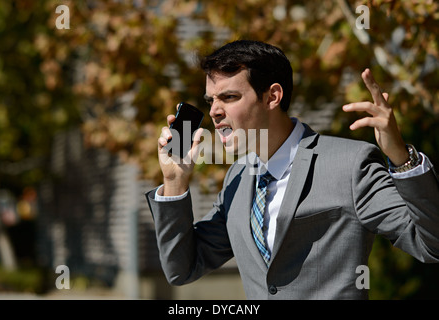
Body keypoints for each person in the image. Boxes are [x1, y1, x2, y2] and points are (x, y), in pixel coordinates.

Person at [145, 40, 439, 299]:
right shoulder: (238, 176)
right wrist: (174, 183)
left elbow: (431, 244)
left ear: (272, 96)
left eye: (229, 97)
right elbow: (181, 270)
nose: (214, 112)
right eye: (212, 100)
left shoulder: (350, 164)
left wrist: (401, 157)